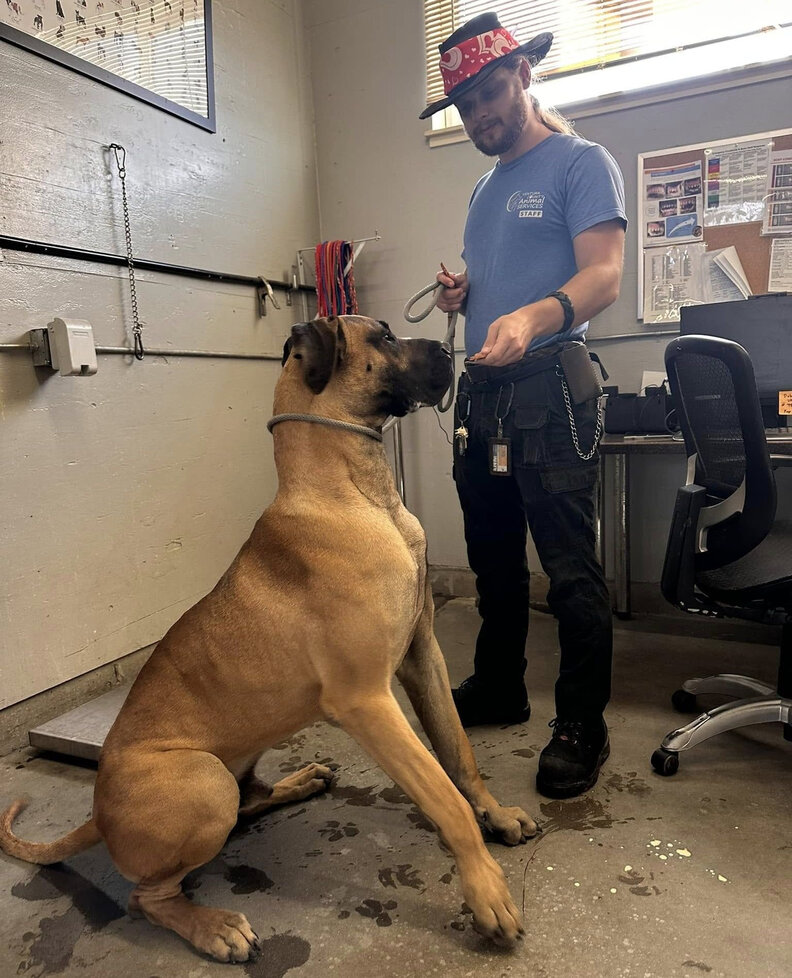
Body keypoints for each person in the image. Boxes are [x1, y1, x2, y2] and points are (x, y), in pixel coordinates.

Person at [420, 12, 627, 799]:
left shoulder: (582, 162)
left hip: (550, 391)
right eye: (466, 107)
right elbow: (504, 275)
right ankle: (501, 686)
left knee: (571, 573)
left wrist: (533, 315)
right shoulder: (483, 187)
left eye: (491, 96)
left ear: (525, 77)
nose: (481, 117)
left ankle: (581, 724)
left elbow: (602, 277)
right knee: (494, 565)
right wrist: (466, 295)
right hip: (486, 398)